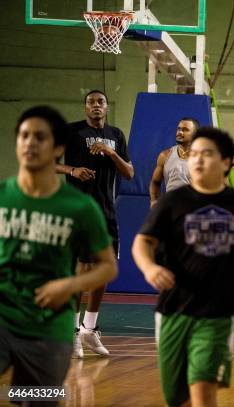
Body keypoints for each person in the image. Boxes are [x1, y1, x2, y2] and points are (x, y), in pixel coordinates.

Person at [132, 127, 234, 407]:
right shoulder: (172, 201)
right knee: (177, 397)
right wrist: (149, 269)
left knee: (203, 388)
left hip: (219, 309)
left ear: (227, 162)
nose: (197, 160)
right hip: (173, 309)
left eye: (207, 154)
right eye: (194, 154)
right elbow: (142, 243)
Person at [0, 106, 117, 402]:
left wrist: (69, 285)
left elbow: (107, 267)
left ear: (59, 148)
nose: (30, 143)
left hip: (49, 329)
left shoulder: (80, 208)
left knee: (38, 398)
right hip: (5, 319)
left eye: (40, 137)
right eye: (24, 136)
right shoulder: (3, 197)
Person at [56, 89, 133, 358]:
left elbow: (130, 173)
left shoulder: (116, 135)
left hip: (107, 212)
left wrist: (111, 154)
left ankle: (89, 329)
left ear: (107, 107)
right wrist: (72, 170)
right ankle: (72, 332)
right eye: (91, 102)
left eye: (100, 102)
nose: (96, 106)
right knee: (82, 269)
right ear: (85, 107)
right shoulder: (71, 132)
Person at [149, 117, 199, 207]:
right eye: (179, 129)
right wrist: (154, 201)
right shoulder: (165, 155)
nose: (180, 132)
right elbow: (155, 182)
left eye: (185, 130)